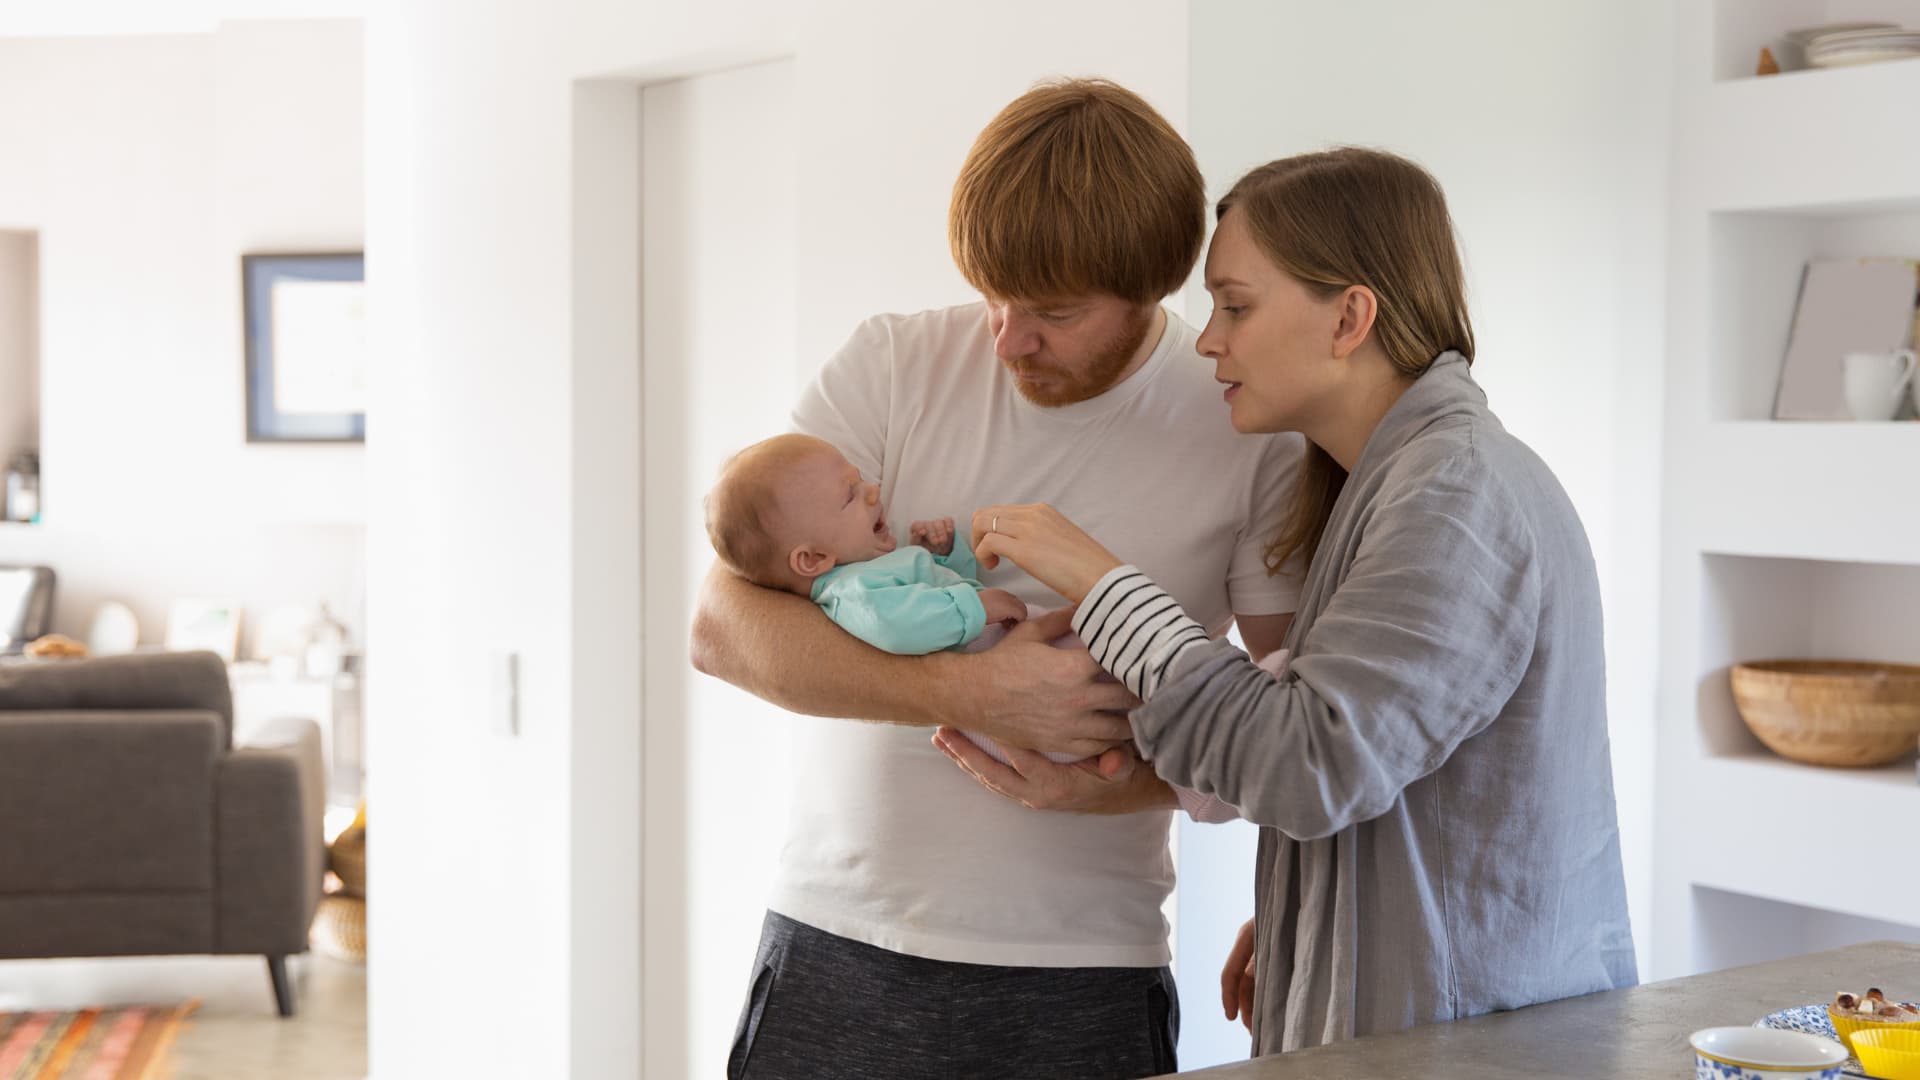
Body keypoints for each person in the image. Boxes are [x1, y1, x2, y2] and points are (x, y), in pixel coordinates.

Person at [937, 147, 1639, 1055]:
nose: (1207, 339)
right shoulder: (1393, 485)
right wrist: (1310, 908)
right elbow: (1381, 750)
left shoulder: (1454, 495)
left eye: (1236, 305)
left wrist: (1105, 586)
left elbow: (1312, 760)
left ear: (1350, 316)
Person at [688, 78, 1304, 1079]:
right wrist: (971, 690)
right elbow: (722, 627)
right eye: (993, 296)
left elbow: (1298, 729)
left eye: (1054, 312)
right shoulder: (893, 363)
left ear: (1150, 287)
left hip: (1081, 971)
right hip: (836, 941)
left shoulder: (1242, 428)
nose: (1008, 338)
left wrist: (1125, 797)